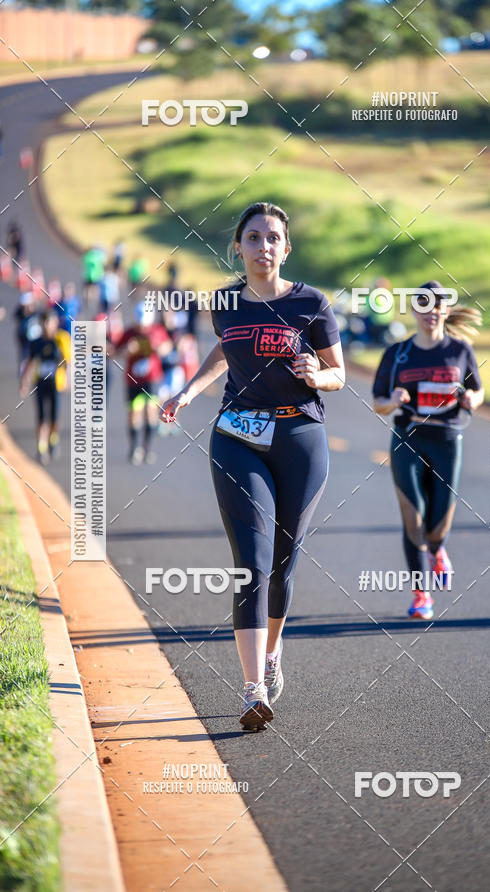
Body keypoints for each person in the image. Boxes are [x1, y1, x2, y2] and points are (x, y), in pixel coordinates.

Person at [161, 202, 344, 731]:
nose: (263, 246)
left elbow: (339, 376)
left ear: (286, 249)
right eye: (254, 237)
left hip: (300, 435)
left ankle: (271, 652)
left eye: (273, 238)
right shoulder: (223, 301)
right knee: (252, 560)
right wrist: (190, 390)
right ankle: (252, 689)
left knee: (284, 561)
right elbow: (224, 351)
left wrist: (316, 373)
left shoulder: (311, 302)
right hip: (237, 435)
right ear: (238, 246)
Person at [372, 281, 484, 620]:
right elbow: (378, 401)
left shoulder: (460, 350)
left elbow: (478, 391)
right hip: (408, 438)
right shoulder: (398, 354)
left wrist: (470, 400)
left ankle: (437, 549)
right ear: (415, 311)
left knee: (438, 524)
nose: (431, 312)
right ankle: (421, 594)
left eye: (438, 306)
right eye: (424, 305)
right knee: (413, 517)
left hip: (448, 440)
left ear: (445, 311)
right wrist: (392, 401)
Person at [112, 302, 172, 465]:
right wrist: (127, 350)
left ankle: (147, 448)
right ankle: (134, 449)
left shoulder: (157, 331)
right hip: (133, 381)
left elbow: (168, 346)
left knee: (150, 413)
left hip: (151, 379)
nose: (142, 328)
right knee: (133, 414)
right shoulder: (129, 333)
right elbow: (115, 351)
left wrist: (158, 348)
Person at [20, 311, 70, 463]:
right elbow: (29, 361)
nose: (47, 326)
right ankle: (41, 448)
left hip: (56, 383)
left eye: (49, 322)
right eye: (44, 323)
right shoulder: (36, 342)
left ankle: (53, 440)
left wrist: (68, 378)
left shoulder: (61, 339)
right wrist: (24, 381)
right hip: (41, 382)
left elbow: (69, 360)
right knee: (41, 415)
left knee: (54, 416)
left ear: (55, 323)